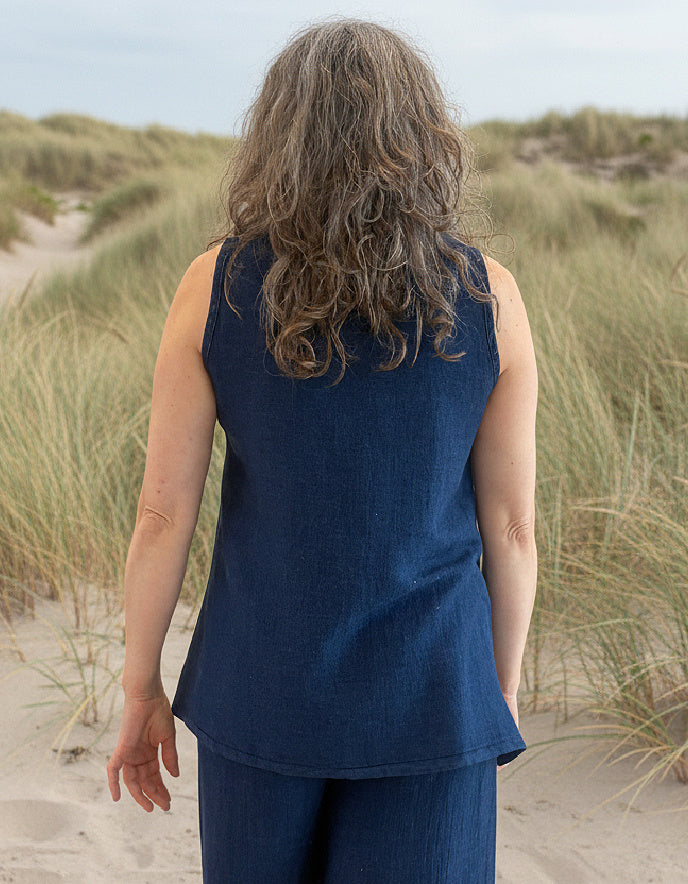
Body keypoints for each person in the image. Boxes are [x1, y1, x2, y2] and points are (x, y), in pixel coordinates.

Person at [106, 18, 537, 884]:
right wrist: (496, 691)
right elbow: (513, 528)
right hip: (433, 691)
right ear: (424, 136)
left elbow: (161, 515)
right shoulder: (489, 296)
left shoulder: (215, 285)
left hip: (260, 687)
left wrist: (140, 685)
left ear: (278, 137)